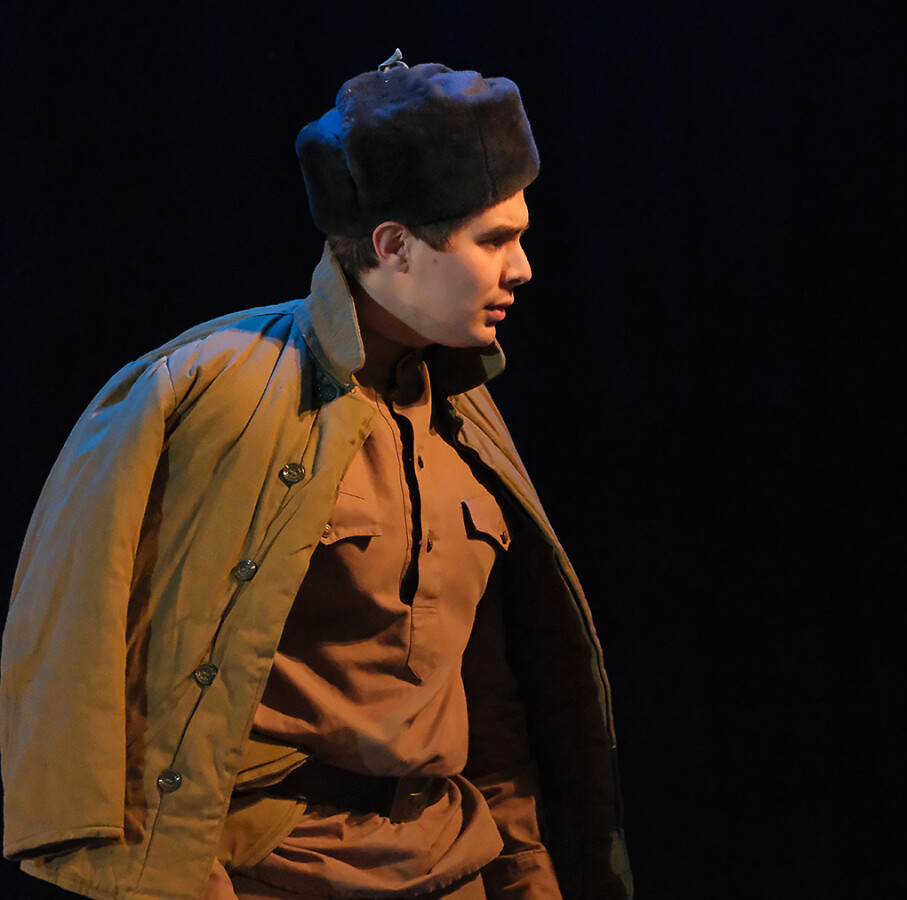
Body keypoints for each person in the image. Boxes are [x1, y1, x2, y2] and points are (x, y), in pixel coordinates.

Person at [1, 52, 631, 900]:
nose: (521, 268)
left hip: (450, 859)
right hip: (274, 868)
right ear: (394, 245)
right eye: (494, 240)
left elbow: (489, 691)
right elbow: (110, 662)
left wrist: (527, 875)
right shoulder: (210, 391)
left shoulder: (464, 417)